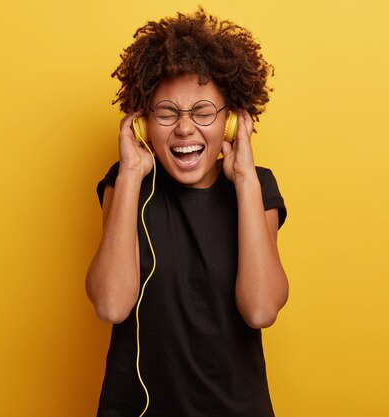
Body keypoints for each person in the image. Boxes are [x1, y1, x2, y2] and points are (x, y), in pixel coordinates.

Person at [86, 8, 288, 416]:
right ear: (143, 123)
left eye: (203, 112)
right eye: (167, 112)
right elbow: (110, 305)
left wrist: (245, 180)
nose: (184, 128)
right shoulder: (126, 184)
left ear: (230, 123)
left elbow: (261, 310)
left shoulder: (256, 186)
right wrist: (128, 175)